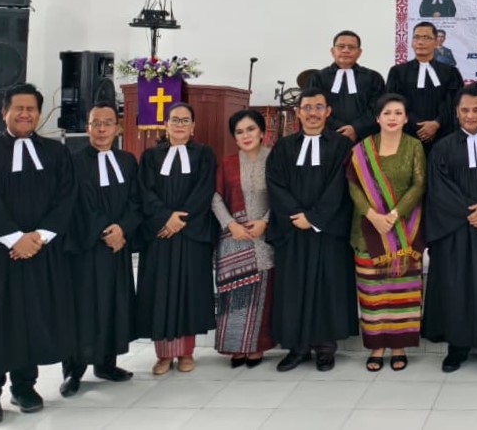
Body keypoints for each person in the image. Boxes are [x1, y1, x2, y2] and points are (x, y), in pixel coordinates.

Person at [0, 84, 76, 426]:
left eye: (32, 109)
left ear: (39, 114)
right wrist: (15, 239)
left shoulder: (56, 153)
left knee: (31, 316)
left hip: (39, 252)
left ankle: (24, 386)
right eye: (19, 108)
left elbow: (66, 197)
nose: (25, 114)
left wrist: (39, 237)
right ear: (4, 112)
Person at [422, 86, 477, 372]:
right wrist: (471, 212)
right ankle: (457, 347)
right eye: (465, 110)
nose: (470, 115)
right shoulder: (442, 147)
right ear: (456, 113)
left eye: (476, 110)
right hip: (455, 230)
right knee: (456, 286)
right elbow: (439, 189)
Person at [266, 86, 357, 372]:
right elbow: (275, 183)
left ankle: (325, 348)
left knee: (327, 287)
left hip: (328, 231)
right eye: (307, 107)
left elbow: (341, 185)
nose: (313, 113)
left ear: (328, 111)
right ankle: (297, 347)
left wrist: (315, 218)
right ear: (298, 112)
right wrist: (296, 215)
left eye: (319, 107)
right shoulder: (283, 147)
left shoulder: (341, 146)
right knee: (293, 288)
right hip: (292, 230)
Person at [61, 101, 139, 397]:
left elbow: (136, 200)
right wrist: (106, 231)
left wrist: (123, 229)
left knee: (113, 304)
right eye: (96, 123)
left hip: (118, 247)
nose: (102, 129)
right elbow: (78, 205)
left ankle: (106, 363)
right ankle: (74, 371)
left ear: (117, 128)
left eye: (108, 123)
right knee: (83, 308)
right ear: (88, 127)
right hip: (87, 247)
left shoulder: (128, 161)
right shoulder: (74, 161)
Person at [136, 102, 218, 375]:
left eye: (185, 120)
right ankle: (163, 355)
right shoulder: (150, 156)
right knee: (159, 293)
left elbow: (204, 189)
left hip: (192, 233)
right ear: (166, 125)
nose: (180, 124)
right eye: (175, 120)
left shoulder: (204, 154)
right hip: (159, 234)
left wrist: (180, 220)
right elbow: (144, 191)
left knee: (188, 293)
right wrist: (165, 218)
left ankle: (185, 352)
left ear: (193, 126)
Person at [348, 94, 426, 372]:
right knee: (373, 293)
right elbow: (354, 186)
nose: (392, 118)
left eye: (398, 113)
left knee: (402, 292)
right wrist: (372, 215)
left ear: (406, 118)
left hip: (405, 230)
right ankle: (376, 347)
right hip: (368, 231)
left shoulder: (414, 146)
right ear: (377, 118)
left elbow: (419, 185)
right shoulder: (362, 149)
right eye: (387, 113)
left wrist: (393, 216)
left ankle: (399, 346)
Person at [212, 110, 275, 367]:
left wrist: (265, 222)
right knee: (234, 297)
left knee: (262, 294)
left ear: (262, 132)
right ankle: (236, 346)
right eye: (239, 132)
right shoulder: (227, 163)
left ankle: (256, 347)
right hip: (233, 239)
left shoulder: (274, 160)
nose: (246, 135)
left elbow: (282, 196)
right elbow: (215, 197)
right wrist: (231, 224)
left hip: (264, 238)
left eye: (250, 129)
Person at [385, 21, 463, 150]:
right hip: (407, 136)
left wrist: (437, 123)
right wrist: (418, 126)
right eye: (416, 37)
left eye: (426, 37)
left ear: (436, 42)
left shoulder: (450, 72)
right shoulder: (398, 72)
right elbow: (393, 103)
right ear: (411, 43)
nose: (420, 42)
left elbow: (454, 103)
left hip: (443, 137)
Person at [305, 30, 386, 141]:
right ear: (332, 51)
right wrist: (339, 129)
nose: (346, 50)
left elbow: (378, 108)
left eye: (351, 47)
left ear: (359, 52)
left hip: (365, 138)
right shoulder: (317, 78)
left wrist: (356, 128)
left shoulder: (373, 78)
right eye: (341, 46)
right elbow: (312, 108)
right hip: (326, 138)